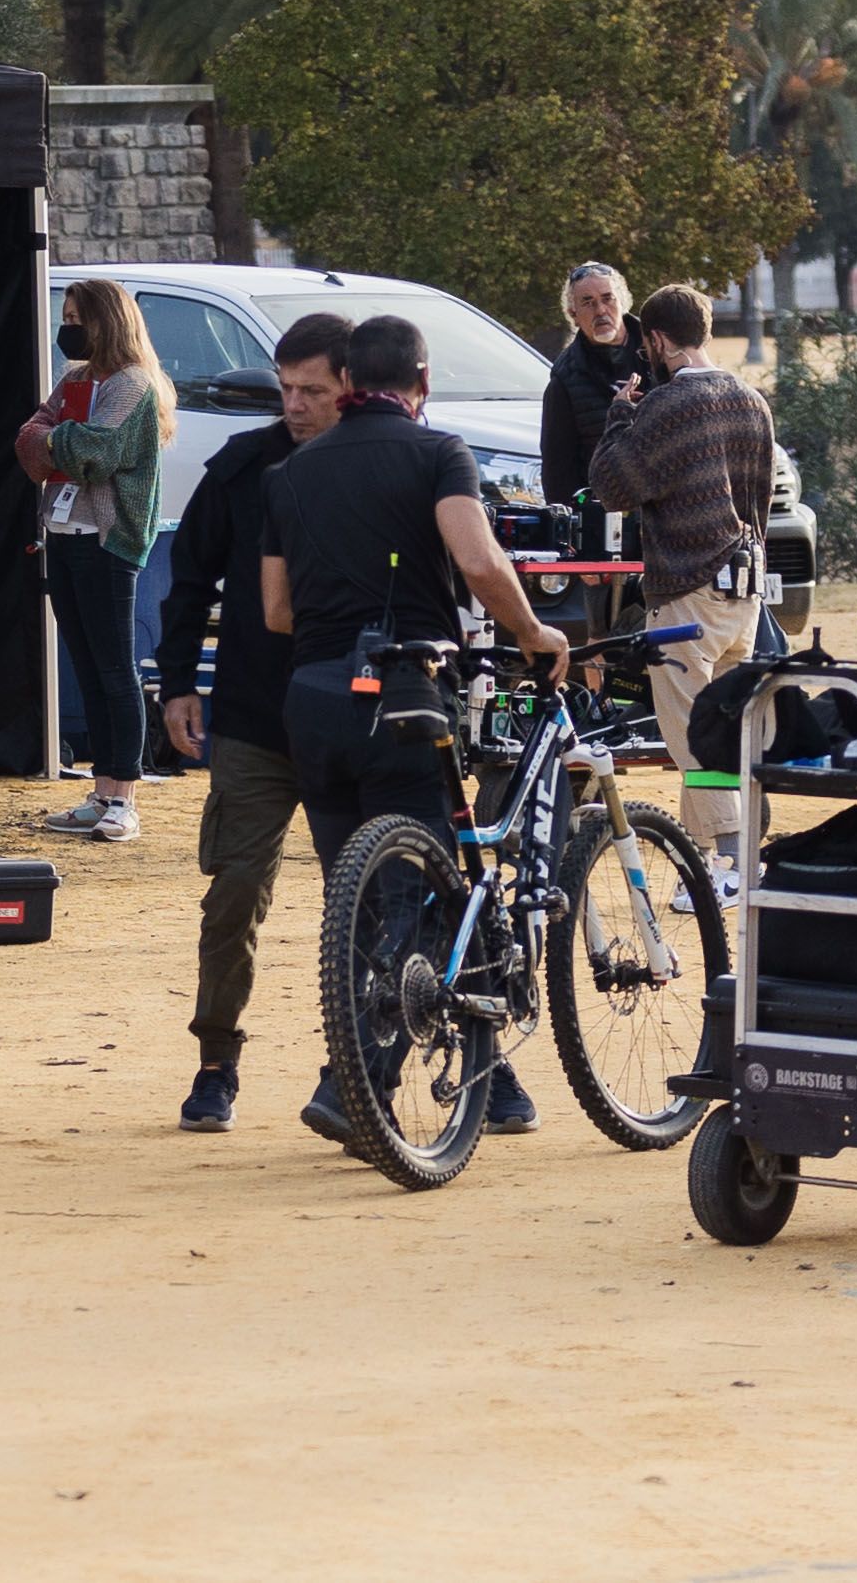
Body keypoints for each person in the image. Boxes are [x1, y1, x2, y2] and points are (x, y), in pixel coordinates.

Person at [263, 313, 569, 1143]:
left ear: (351, 381)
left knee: (356, 900)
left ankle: (488, 1075)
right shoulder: (439, 452)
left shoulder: (289, 473)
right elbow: (477, 560)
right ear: (422, 382)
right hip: (400, 694)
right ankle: (353, 1078)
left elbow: (276, 609)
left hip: (314, 698)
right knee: (420, 894)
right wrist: (534, 633)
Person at [154, 311, 355, 1133]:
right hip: (252, 716)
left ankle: (361, 1061)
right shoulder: (243, 465)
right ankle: (215, 1062)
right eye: (286, 388)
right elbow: (188, 578)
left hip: (353, 719)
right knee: (234, 895)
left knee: (372, 897)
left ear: (353, 387)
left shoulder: (383, 466)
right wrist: (177, 686)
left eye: (313, 389)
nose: (296, 404)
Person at [589, 283, 774, 857]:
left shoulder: (667, 406)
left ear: (659, 340)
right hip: (742, 591)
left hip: (686, 591)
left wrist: (620, 415)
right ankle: (707, 867)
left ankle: (729, 859)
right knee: (721, 730)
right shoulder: (752, 399)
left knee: (694, 738)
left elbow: (611, 485)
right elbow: (762, 500)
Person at [20, 278, 175, 842]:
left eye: (74, 317)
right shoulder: (76, 379)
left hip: (106, 542)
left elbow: (96, 455)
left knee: (115, 670)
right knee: (87, 666)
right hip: (61, 534)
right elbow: (28, 437)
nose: (67, 328)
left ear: (105, 321)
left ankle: (124, 798)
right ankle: (100, 790)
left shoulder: (134, 385)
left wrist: (54, 438)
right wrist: (59, 437)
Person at [542, 261, 643, 510]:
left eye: (608, 299)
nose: (600, 310)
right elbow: (558, 470)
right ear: (573, 314)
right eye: (587, 302)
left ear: (623, 302)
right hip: (606, 514)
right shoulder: (565, 378)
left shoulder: (660, 352)